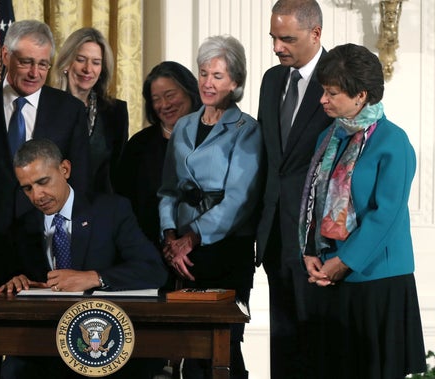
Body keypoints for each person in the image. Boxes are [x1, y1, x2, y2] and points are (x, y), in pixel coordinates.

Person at [299, 43, 426, 379]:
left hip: (377, 282)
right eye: (323, 91)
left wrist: (344, 262)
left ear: (361, 95)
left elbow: (387, 214)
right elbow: (317, 200)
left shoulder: (393, 141)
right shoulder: (328, 137)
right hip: (332, 277)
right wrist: (312, 251)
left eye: (332, 93)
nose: (323, 100)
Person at [0, 138, 168, 379]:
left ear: (64, 169)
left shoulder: (111, 210)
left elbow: (153, 270)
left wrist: (94, 278)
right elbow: (13, 276)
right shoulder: (22, 226)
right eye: (27, 188)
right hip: (46, 344)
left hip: (109, 341)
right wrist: (15, 281)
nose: (37, 195)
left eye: (43, 182)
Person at [0, 20, 90, 296]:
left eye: (43, 64)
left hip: (47, 250)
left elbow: (81, 180)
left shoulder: (70, 110)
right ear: (5, 56)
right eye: (26, 62)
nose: (34, 73)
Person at [158, 35, 262, 379]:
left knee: (224, 345)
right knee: (188, 345)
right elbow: (168, 189)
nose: (207, 82)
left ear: (235, 82)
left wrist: (191, 238)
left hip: (226, 248)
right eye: (203, 73)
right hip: (182, 253)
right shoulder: (185, 124)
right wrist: (170, 237)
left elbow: (239, 200)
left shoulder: (247, 129)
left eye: (217, 75)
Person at [255, 1, 333, 377]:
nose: (277, 47)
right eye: (273, 37)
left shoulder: (340, 80)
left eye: (287, 38)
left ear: (316, 34)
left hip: (319, 242)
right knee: (283, 345)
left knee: (319, 350)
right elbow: (269, 161)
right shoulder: (272, 80)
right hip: (274, 236)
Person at [114, 61, 202, 246]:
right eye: (156, 99)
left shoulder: (217, 135)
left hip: (210, 252)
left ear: (189, 90)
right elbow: (124, 206)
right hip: (151, 254)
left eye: (170, 95)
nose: (164, 105)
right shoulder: (138, 145)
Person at [54, 27, 128, 193]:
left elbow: (118, 175)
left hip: (100, 212)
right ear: (66, 63)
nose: (88, 69)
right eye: (81, 59)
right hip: (53, 209)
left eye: (96, 62)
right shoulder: (46, 107)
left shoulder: (116, 112)